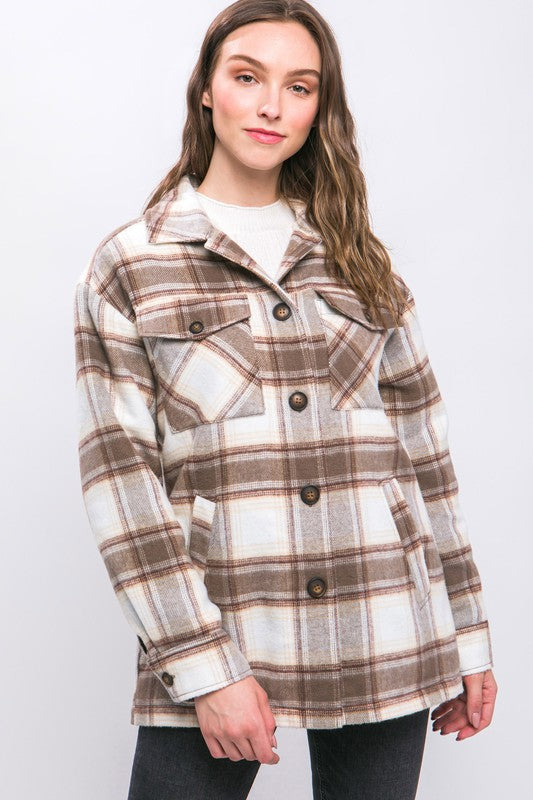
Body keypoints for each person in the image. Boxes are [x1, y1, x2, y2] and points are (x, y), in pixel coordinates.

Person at [73, 1, 497, 798]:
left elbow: (424, 459)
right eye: (247, 77)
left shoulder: (358, 260)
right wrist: (202, 667)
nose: (271, 105)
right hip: (227, 624)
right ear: (206, 90)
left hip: (386, 624)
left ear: (317, 108)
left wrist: (466, 633)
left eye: (298, 87)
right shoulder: (133, 264)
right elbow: (121, 484)